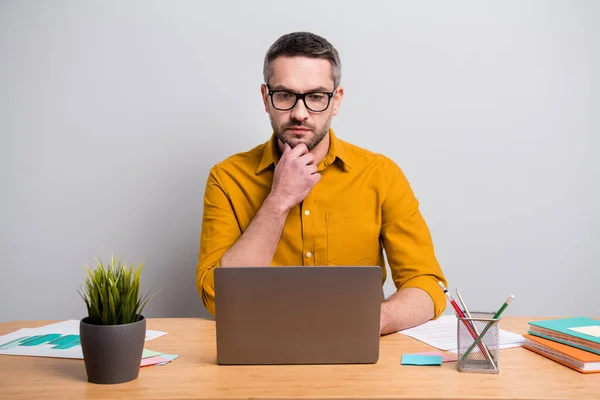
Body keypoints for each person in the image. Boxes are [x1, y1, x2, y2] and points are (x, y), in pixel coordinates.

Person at [196, 31, 447, 335]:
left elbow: (427, 286)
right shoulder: (227, 178)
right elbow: (217, 297)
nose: (300, 113)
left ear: (336, 100)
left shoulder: (380, 174)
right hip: (260, 344)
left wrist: (376, 319)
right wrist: (278, 201)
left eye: (315, 97)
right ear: (266, 99)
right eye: (285, 95)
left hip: (356, 348)